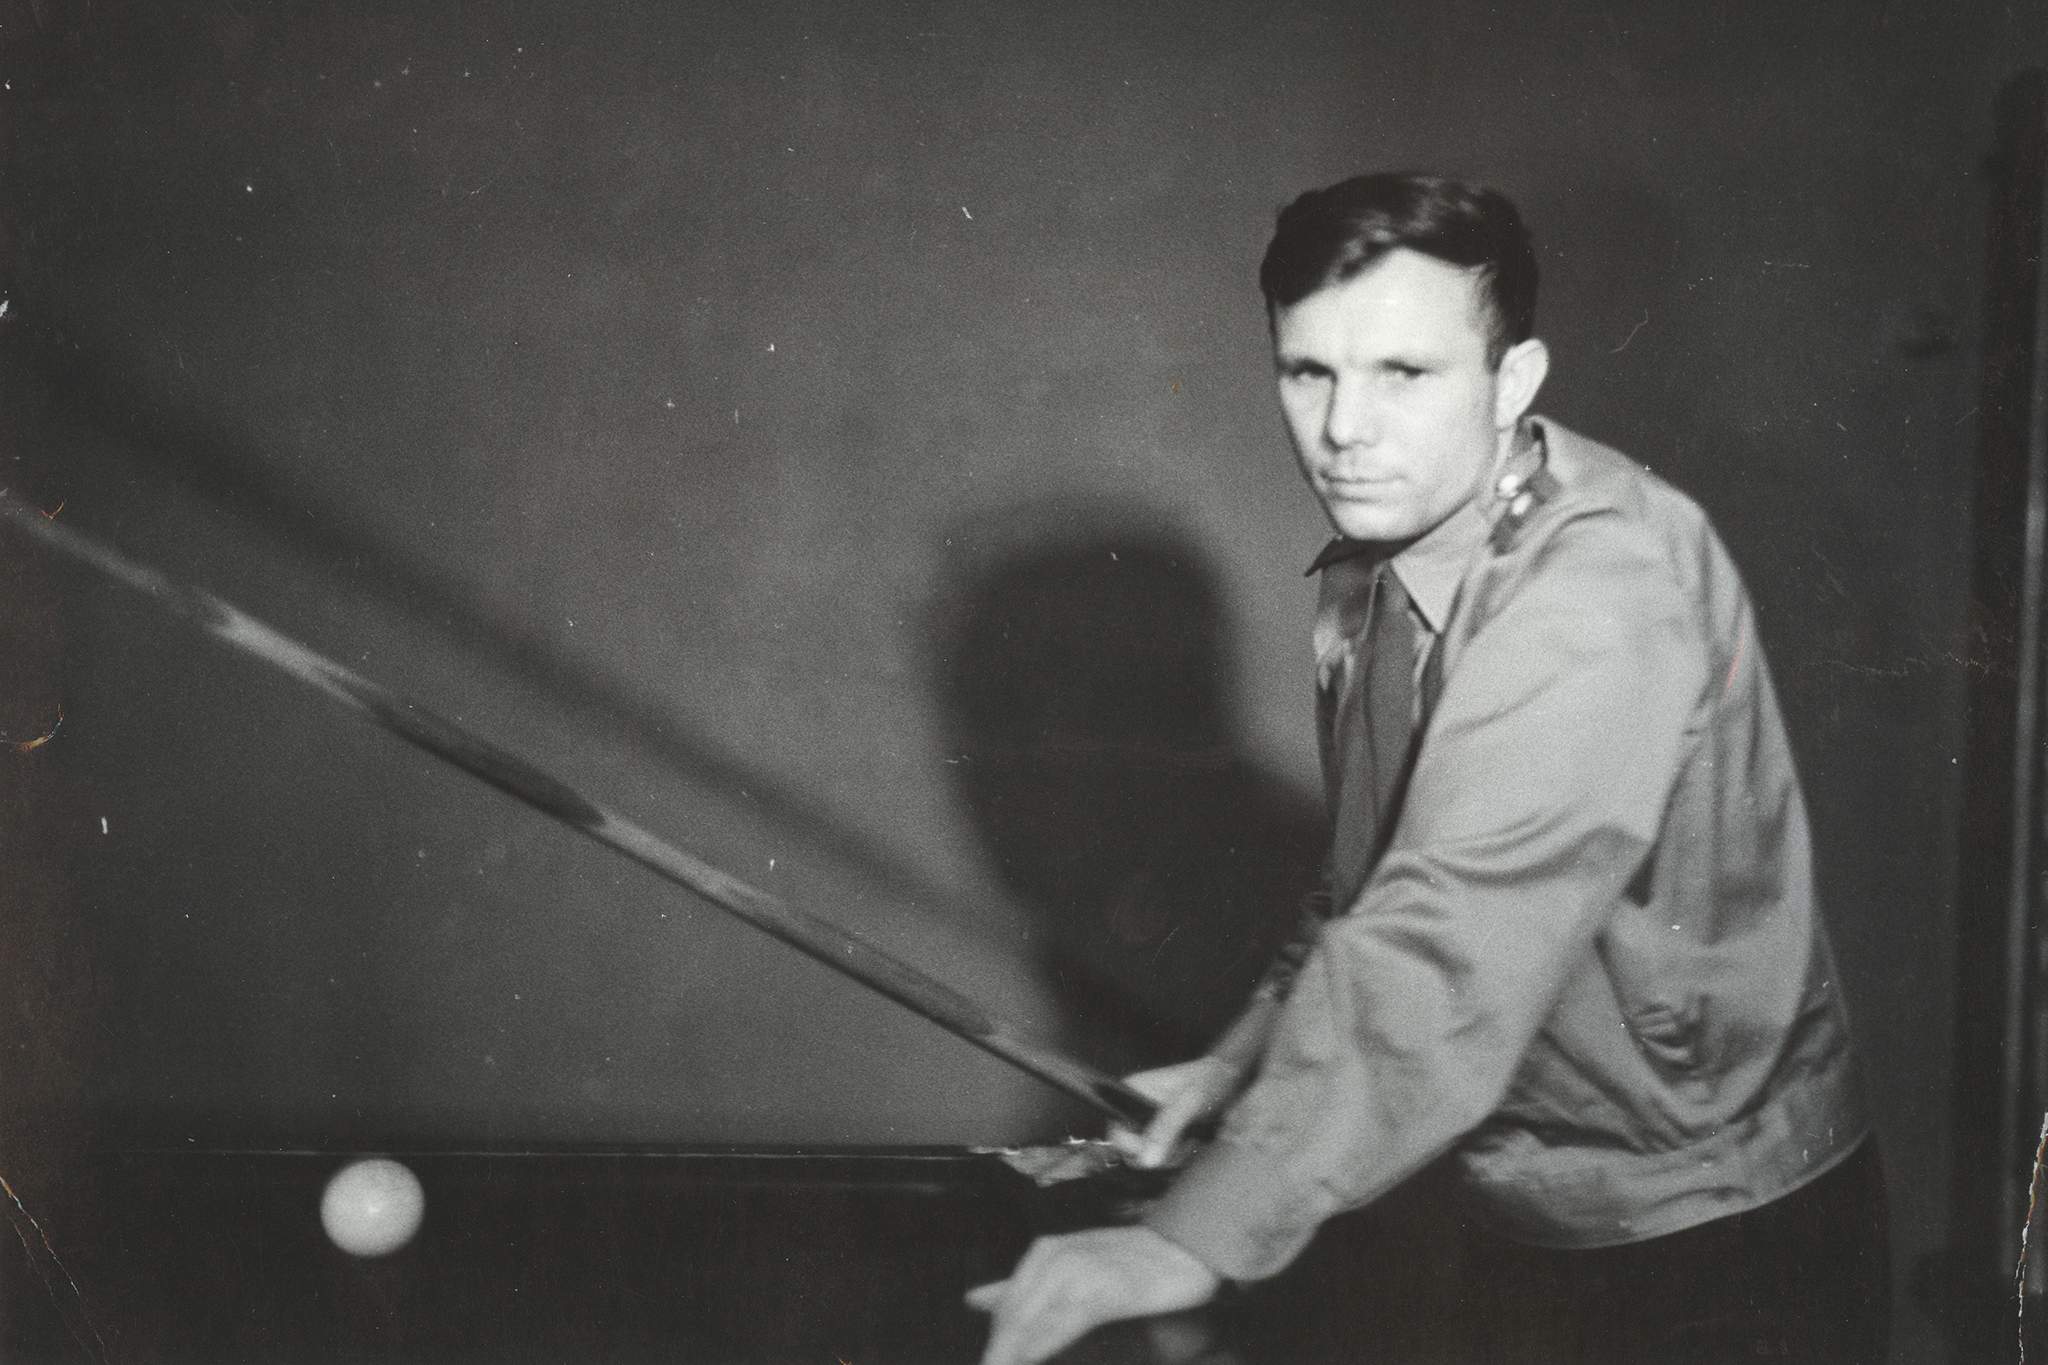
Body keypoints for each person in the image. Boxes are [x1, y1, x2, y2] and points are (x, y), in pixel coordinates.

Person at [966, 173, 1889, 1364]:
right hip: (1517, 1209)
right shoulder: (1373, 569)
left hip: (1717, 1241)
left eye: (1403, 373)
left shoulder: (1597, 594)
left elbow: (1446, 935)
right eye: (1309, 372)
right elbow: (1368, 883)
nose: (1344, 428)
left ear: (1511, 382)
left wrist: (1192, 1235)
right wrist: (1243, 1064)